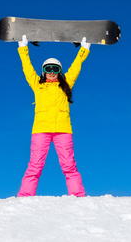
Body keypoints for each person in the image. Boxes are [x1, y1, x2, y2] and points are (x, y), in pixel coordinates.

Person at [16, 34, 90, 197]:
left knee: (69, 165)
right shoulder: (38, 86)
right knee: (35, 164)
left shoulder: (66, 85)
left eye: (55, 69)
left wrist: (84, 49)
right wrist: (23, 47)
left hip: (63, 130)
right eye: (48, 69)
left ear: (59, 72)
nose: (51, 72)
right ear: (43, 72)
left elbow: (76, 67)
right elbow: (27, 68)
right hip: (41, 130)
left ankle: (77, 195)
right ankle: (25, 196)